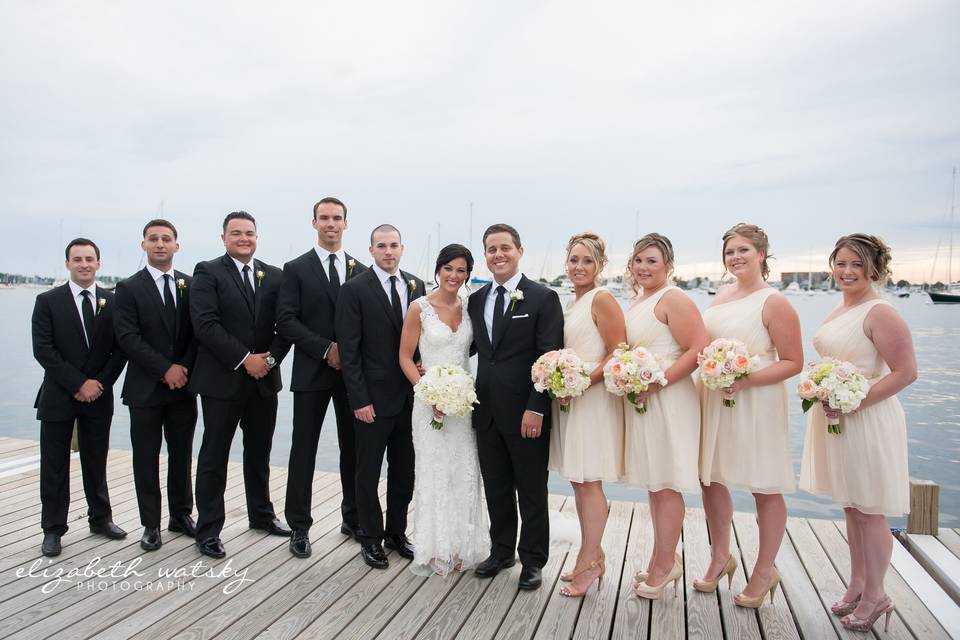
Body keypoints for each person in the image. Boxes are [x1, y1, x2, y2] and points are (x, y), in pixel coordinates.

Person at [800, 234, 916, 632]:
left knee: (871, 511)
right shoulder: (840, 307)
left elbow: (906, 372)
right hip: (840, 416)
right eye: (841, 263)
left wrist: (856, 401)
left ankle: (877, 595)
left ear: (873, 270)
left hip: (868, 418)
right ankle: (857, 584)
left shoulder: (881, 312)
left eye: (856, 265)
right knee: (852, 506)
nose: (847, 272)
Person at [697, 223, 802, 607]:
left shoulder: (774, 302)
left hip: (757, 401)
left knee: (764, 484)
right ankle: (720, 556)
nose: (735, 257)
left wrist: (745, 379)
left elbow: (793, 362)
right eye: (729, 252)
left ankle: (764, 570)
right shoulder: (722, 294)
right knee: (711, 478)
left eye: (743, 250)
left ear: (761, 254)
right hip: (716, 396)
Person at [190, 211, 292, 559]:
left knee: (259, 453)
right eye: (236, 233)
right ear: (223, 238)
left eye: (249, 233)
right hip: (222, 380)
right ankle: (208, 530)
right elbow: (206, 325)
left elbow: (285, 326)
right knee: (214, 456)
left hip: (264, 381)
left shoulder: (275, 276)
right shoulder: (207, 272)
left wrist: (269, 361)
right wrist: (245, 359)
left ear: (257, 236)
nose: (244, 238)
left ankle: (261, 516)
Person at [468, 223, 564, 591]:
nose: (498, 255)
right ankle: (502, 550)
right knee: (495, 484)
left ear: (520, 251)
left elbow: (548, 357)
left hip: (526, 412)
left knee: (531, 488)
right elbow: (475, 350)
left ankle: (533, 559)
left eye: (505, 247)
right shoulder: (477, 300)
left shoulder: (542, 297)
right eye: (491, 249)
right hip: (486, 410)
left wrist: (537, 407)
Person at [278, 197, 367, 559]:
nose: (331, 224)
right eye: (324, 218)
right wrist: (325, 349)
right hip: (312, 371)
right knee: (303, 450)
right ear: (314, 223)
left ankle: (354, 518)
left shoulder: (361, 270)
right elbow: (286, 320)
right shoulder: (295, 268)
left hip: (352, 377)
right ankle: (299, 526)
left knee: (355, 450)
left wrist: (348, 354)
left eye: (337, 218)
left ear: (346, 223)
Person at [622, 233, 708, 600]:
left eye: (652, 261)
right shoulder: (638, 300)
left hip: (668, 398)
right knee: (654, 483)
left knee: (667, 482)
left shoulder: (674, 298)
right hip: (644, 396)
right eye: (639, 260)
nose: (643, 267)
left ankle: (665, 564)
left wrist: (658, 382)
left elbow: (698, 348)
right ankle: (662, 558)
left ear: (668, 265)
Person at [336, 224, 425, 569]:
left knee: (404, 472)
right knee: (368, 472)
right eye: (381, 246)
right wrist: (359, 400)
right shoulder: (354, 290)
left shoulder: (416, 286)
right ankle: (370, 538)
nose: (388, 252)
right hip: (371, 400)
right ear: (371, 250)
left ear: (402, 248)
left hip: (409, 399)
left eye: (393, 246)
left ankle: (396, 533)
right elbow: (350, 350)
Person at [32, 238, 128, 557]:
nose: (84, 264)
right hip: (59, 395)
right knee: (54, 465)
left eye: (89, 259)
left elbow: (120, 350)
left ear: (99, 264)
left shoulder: (112, 302)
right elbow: (44, 350)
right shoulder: (48, 301)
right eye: (77, 259)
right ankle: (53, 529)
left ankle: (100, 519)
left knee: (95, 460)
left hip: (98, 396)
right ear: (68, 264)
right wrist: (78, 383)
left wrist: (98, 383)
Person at [399, 244, 490, 576]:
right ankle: (435, 547)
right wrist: (427, 392)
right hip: (429, 405)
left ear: (468, 274)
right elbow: (406, 357)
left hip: (464, 404)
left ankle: (463, 545)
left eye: (461, 270)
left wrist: (456, 394)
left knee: (464, 472)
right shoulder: (418, 308)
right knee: (434, 473)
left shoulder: (470, 308)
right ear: (438, 270)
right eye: (449, 268)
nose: (454, 275)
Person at [114, 219, 198, 551]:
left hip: (184, 388)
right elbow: (128, 338)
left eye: (166, 239)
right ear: (144, 245)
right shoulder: (128, 288)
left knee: (182, 454)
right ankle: (151, 524)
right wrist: (165, 369)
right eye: (154, 239)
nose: (160, 244)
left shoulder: (190, 286)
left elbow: (197, 334)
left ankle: (181, 515)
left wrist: (184, 367)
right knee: (145, 458)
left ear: (177, 246)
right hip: (145, 389)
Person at [548, 232, 625, 597]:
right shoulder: (573, 301)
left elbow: (617, 351)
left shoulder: (602, 299)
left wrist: (581, 382)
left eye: (587, 261)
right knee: (579, 482)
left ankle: (590, 562)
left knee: (590, 481)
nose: (579, 267)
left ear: (600, 266)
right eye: (574, 260)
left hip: (591, 400)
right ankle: (590, 553)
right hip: (571, 398)